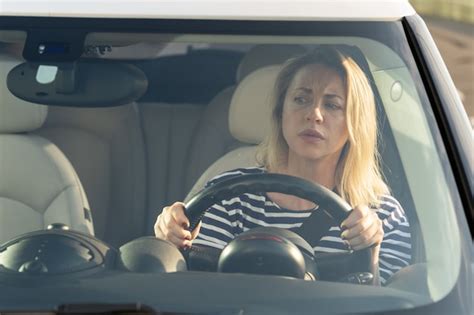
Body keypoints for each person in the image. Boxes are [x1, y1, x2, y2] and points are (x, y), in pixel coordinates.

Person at [154, 46, 411, 285]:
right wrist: (173, 242)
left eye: (332, 105)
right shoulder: (227, 195)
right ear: (280, 112)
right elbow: (196, 288)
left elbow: (387, 308)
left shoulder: (381, 215)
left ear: (355, 123)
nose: (314, 115)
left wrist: (370, 250)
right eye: (301, 99)